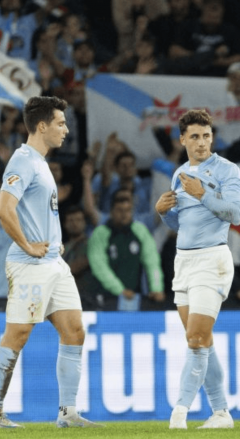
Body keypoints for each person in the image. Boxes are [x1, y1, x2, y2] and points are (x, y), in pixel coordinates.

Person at [0, 96, 100, 428]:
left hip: (54, 263)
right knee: (18, 334)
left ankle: (67, 414)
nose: (66, 130)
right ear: (42, 127)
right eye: (60, 123)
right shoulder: (23, 161)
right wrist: (27, 245)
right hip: (30, 263)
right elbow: (4, 208)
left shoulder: (40, 162)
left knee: (74, 331)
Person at [155, 109, 240, 429]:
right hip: (184, 262)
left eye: (206, 136)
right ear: (182, 140)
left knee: (195, 337)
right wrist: (163, 213)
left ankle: (179, 412)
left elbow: (236, 214)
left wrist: (202, 193)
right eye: (194, 136)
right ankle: (221, 413)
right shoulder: (179, 173)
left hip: (212, 260)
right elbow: (181, 224)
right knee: (202, 340)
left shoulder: (227, 170)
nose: (202, 142)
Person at [87, 192, 165, 311]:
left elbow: (152, 262)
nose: (124, 214)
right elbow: (99, 266)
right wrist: (119, 290)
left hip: (133, 297)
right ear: (111, 211)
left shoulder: (140, 231)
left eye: (128, 210)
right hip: (104, 298)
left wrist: (156, 288)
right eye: (119, 210)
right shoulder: (100, 233)